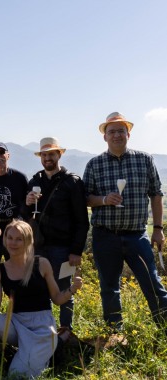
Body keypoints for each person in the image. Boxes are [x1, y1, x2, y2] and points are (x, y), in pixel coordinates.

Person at [0, 220, 82, 378]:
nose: (13, 243)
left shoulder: (42, 264)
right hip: (16, 324)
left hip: (42, 327)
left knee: (17, 375)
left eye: (19, 239)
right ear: (4, 239)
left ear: (28, 241)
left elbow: (57, 299)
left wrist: (72, 289)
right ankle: (10, 352)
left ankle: (55, 345)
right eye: (10, 237)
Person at [83, 111, 167, 330]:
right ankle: (114, 332)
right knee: (109, 287)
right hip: (105, 235)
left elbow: (156, 194)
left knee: (152, 283)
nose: (117, 135)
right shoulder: (95, 164)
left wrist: (157, 228)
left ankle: (164, 329)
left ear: (128, 134)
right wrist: (104, 199)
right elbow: (86, 198)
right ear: (105, 136)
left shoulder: (144, 159)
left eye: (121, 131)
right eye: (112, 131)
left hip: (136, 235)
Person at [26, 137, 89, 330]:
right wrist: (27, 203)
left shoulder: (72, 182)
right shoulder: (35, 181)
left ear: (59, 155)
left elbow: (82, 220)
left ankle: (66, 330)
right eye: (44, 155)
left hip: (64, 248)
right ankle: (44, 329)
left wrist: (76, 251)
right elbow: (26, 216)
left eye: (51, 154)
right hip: (39, 247)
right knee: (39, 289)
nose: (47, 158)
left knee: (65, 289)